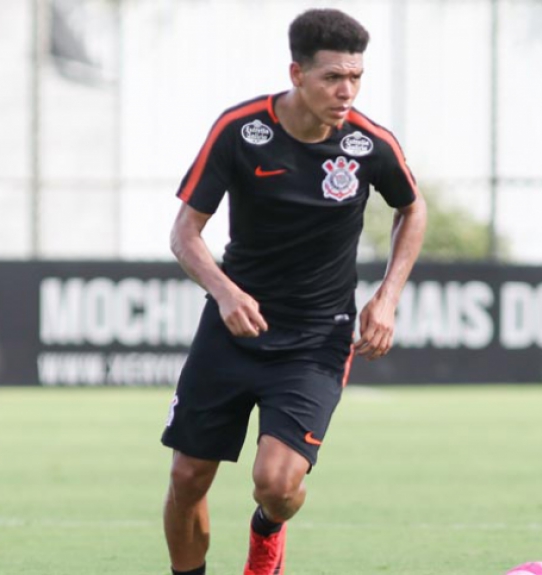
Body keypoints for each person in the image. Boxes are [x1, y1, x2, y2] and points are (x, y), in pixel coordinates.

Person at [160, 8, 426, 575]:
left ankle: (266, 534)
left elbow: (412, 206)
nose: (346, 90)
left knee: (276, 486)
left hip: (315, 339)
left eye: (355, 77)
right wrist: (225, 293)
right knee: (187, 478)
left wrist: (387, 297)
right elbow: (185, 234)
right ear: (296, 73)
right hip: (233, 330)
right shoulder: (240, 131)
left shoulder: (368, 143)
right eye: (333, 77)